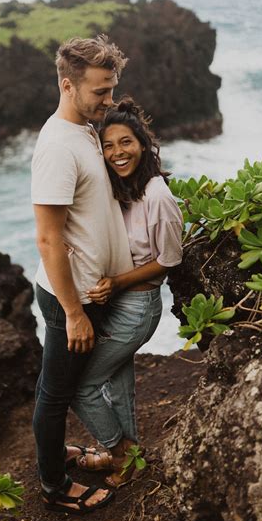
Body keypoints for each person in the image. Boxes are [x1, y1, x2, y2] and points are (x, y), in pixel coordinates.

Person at [31, 35, 135, 514]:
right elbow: (49, 238)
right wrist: (74, 312)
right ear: (68, 85)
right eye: (100, 92)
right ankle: (54, 487)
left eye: (111, 89)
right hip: (69, 297)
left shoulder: (88, 129)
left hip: (89, 290)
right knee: (56, 395)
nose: (108, 101)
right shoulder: (57, 145)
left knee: (62, 388)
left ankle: (59, 456)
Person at [71, 97, 183, 488]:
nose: (117, 153)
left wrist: (116, 282)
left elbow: (168, 261)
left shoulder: (157, 196)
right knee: (117, 384)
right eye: (109, 145)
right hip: (118, 303)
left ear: (143, 144)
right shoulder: (118, 189)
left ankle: (116, 452)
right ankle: (131, 457)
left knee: (79, 386)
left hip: (137, 308)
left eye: (126, 143)